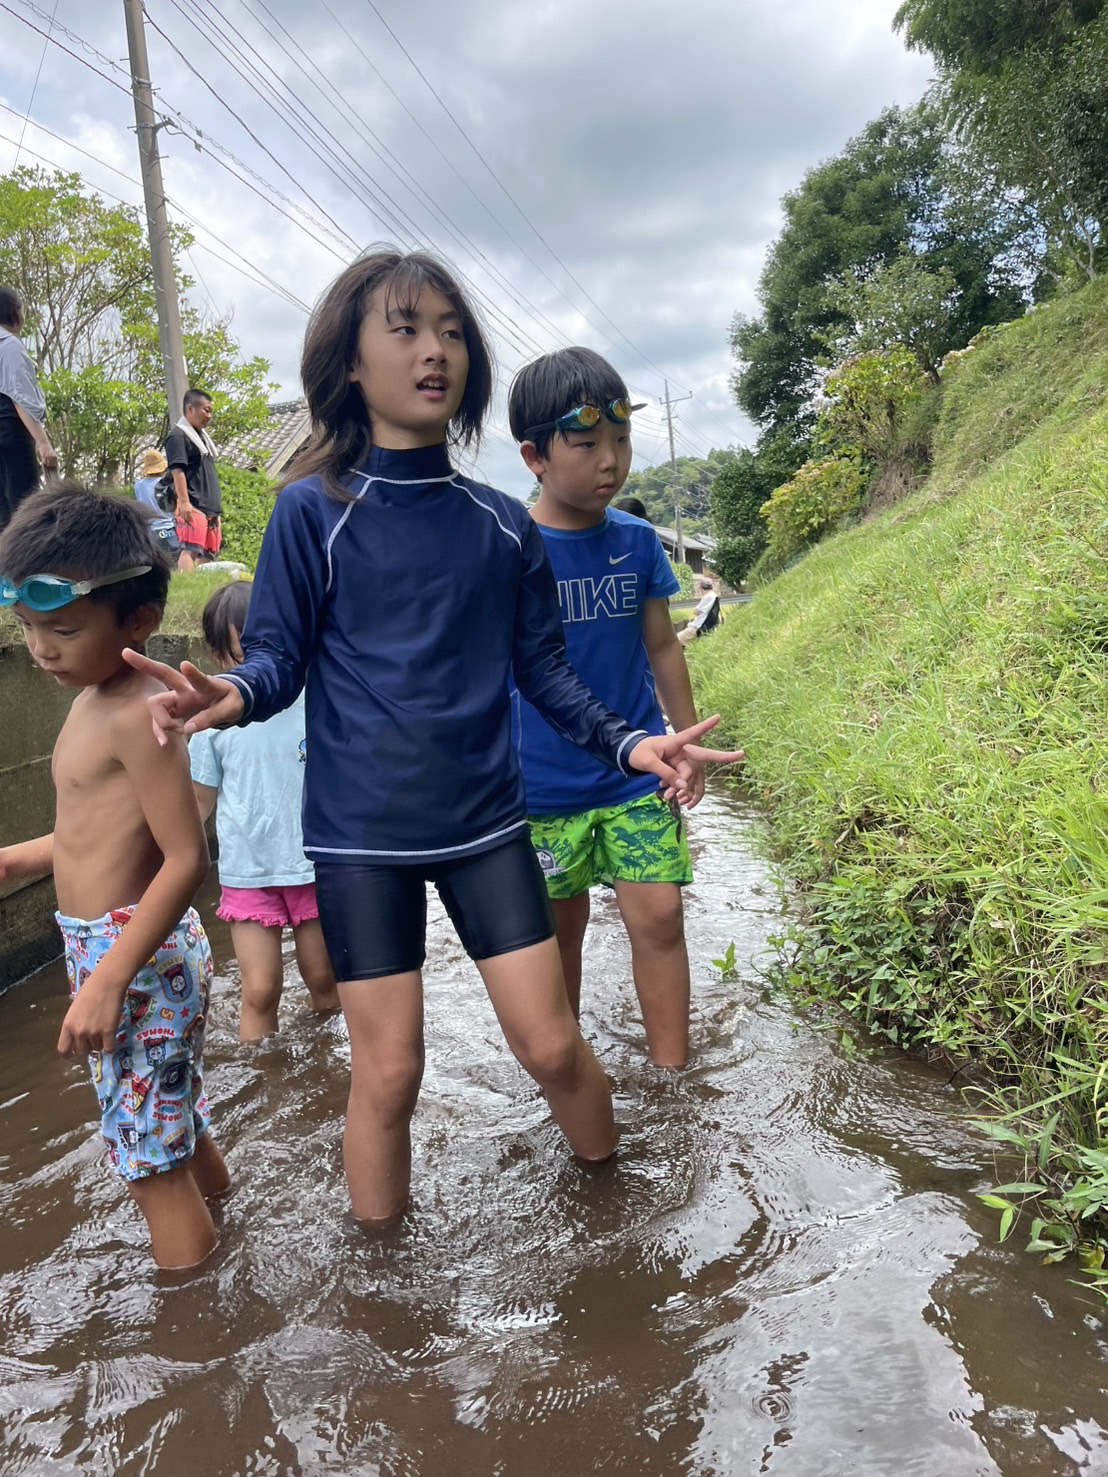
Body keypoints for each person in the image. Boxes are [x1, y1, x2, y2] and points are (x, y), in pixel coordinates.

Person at [124, 247, 743, 1227]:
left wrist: (634, 744)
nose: (435, 350)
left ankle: (616, 1214)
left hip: (487, 824)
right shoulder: (308, 514)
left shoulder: (502, 527)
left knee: (548, 1044)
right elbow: (278, 658)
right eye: (405, 328)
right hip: (361, 837)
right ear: (351, 363)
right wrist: (228, 695)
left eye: (451, 331)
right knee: (391, 1070)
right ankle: (379, 1281)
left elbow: (544, 673)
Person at [0, 486, 230, 1269]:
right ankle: (232, 1229)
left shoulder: (140, 710)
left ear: (135, 621)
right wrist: (18, 859)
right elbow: (90, 834)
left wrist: (105, 982)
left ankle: (198, 1330)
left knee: (149, 1163)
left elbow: (184, 857)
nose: (41, 649)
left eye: (61, 628)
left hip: (134, 957)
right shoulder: (90, 695)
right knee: (174, 1118)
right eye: (26, 628)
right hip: (121, 952)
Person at [508, 347, 722, 1069]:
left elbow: (663, 647)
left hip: (637, 771)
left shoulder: (634, 544)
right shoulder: (509, 549)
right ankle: (569, 1075)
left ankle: (673, 1074)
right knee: (557, 932)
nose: (612, 461)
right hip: (541, 788)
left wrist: (683, 741)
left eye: (622, 440)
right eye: (589, 443)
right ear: (535, 455)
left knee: (660, 917)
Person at [190, 579, 339, 1040]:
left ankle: (335, 1070)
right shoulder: (212, 726)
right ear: (218, 658)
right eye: (239, 655)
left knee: (323, 977)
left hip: (310, 866)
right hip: (248, 872)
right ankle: (266, 1079)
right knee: (259, 989)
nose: (254, 666)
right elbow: (197, 806)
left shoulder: (315, 699)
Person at [0, 287, 57, 532]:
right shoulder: (10, 345)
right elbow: (19, 398)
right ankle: (26, 567)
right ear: (14, 312)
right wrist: (43, 443)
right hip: (12, 433)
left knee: (4, 513)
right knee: (26, 509)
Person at [164, 389, 222, 571]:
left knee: (208, 552)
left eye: (211, 411)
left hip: (210, 506)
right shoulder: (178, 436)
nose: (209, 416)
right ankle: (187, 584)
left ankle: (203, 588)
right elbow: (177, 470)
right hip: (192, 504)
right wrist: (184, 502)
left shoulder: (202, 438)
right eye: (206, 410)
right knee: (191, 549)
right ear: (190, 409)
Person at [678, 576, 722, 645]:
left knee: (676, 639)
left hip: (697, 628)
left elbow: (696, 612)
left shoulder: (708, 597)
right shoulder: (713, 595)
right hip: (704, 627)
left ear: (701, 588)